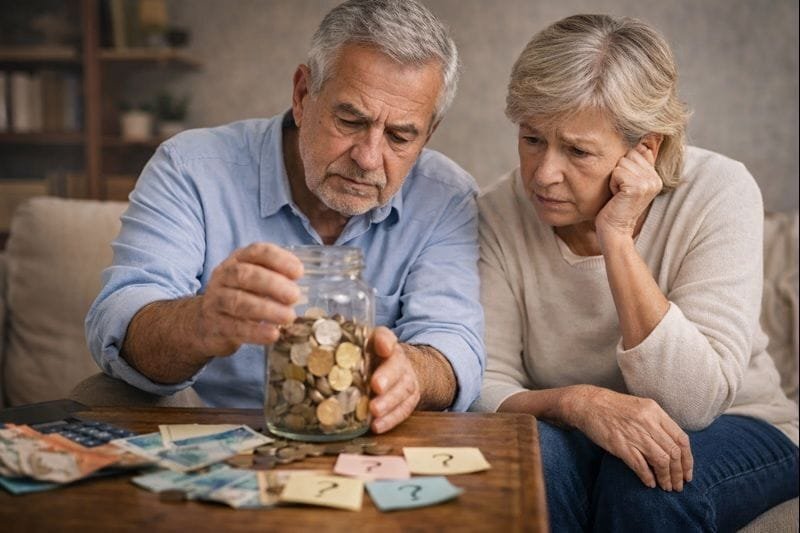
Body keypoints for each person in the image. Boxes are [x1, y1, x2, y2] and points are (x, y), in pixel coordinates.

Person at [85, 0, 485, 435]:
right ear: (301, 95)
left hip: (362, 435)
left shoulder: (445, 195)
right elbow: (121, 317)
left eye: (400, 136)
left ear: (429, 133)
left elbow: (453, 341)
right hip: (209, 429)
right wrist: (202, 321)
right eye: (350, 120)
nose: (369, 159)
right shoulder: (190, 166)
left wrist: (412, 372)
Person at [473, 13, 798, 531]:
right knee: (530, 465)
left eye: (577, 150)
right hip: (575, 427)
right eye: (532, 138)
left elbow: (695, 404)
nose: (542, 174)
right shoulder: (497, 210)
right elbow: (484, 382)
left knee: (648, 485)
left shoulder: (720, 191)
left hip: (741, 422)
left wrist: (617, 240)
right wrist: (579, 403)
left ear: (644, 149)